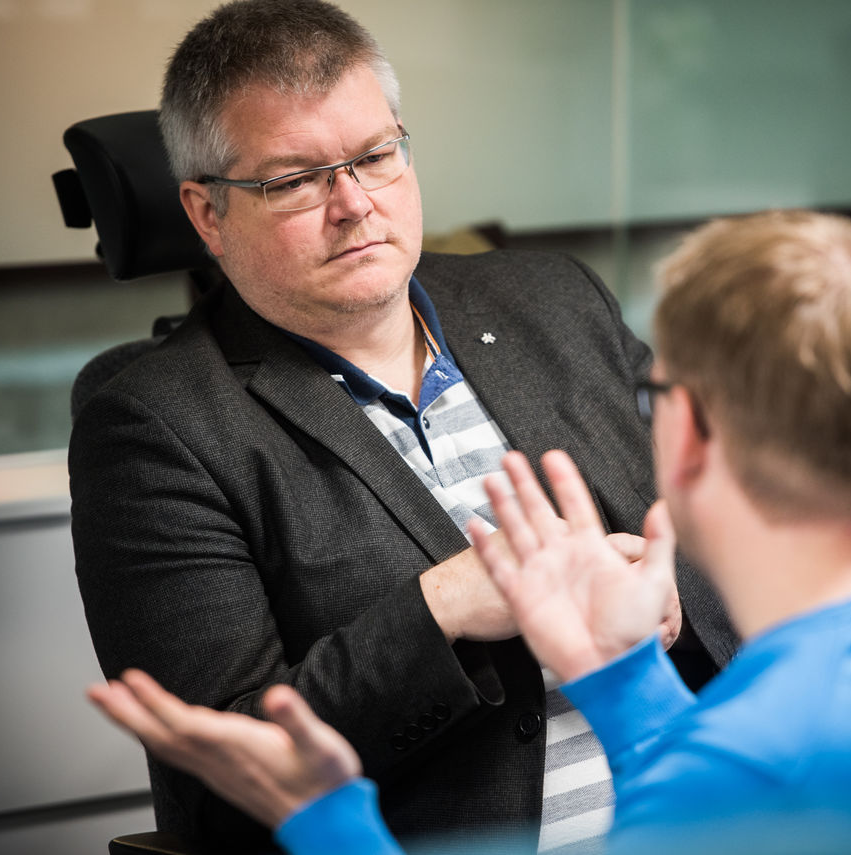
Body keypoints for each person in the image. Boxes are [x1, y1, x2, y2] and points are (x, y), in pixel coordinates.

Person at [89, 210, 851, 855]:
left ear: (691, 432)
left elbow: (732, 790)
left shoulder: (736, 779)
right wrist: (618, 678)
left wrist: (323, 816)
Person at [68, 0, 735, 852]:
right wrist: (447, 604)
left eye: (375, 157)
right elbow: (228, 774)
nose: (353, 204)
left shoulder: (553, 301)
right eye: (294, 180)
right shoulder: (157, 426)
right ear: (206, 214)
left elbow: (732, 527)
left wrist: (669, 582)